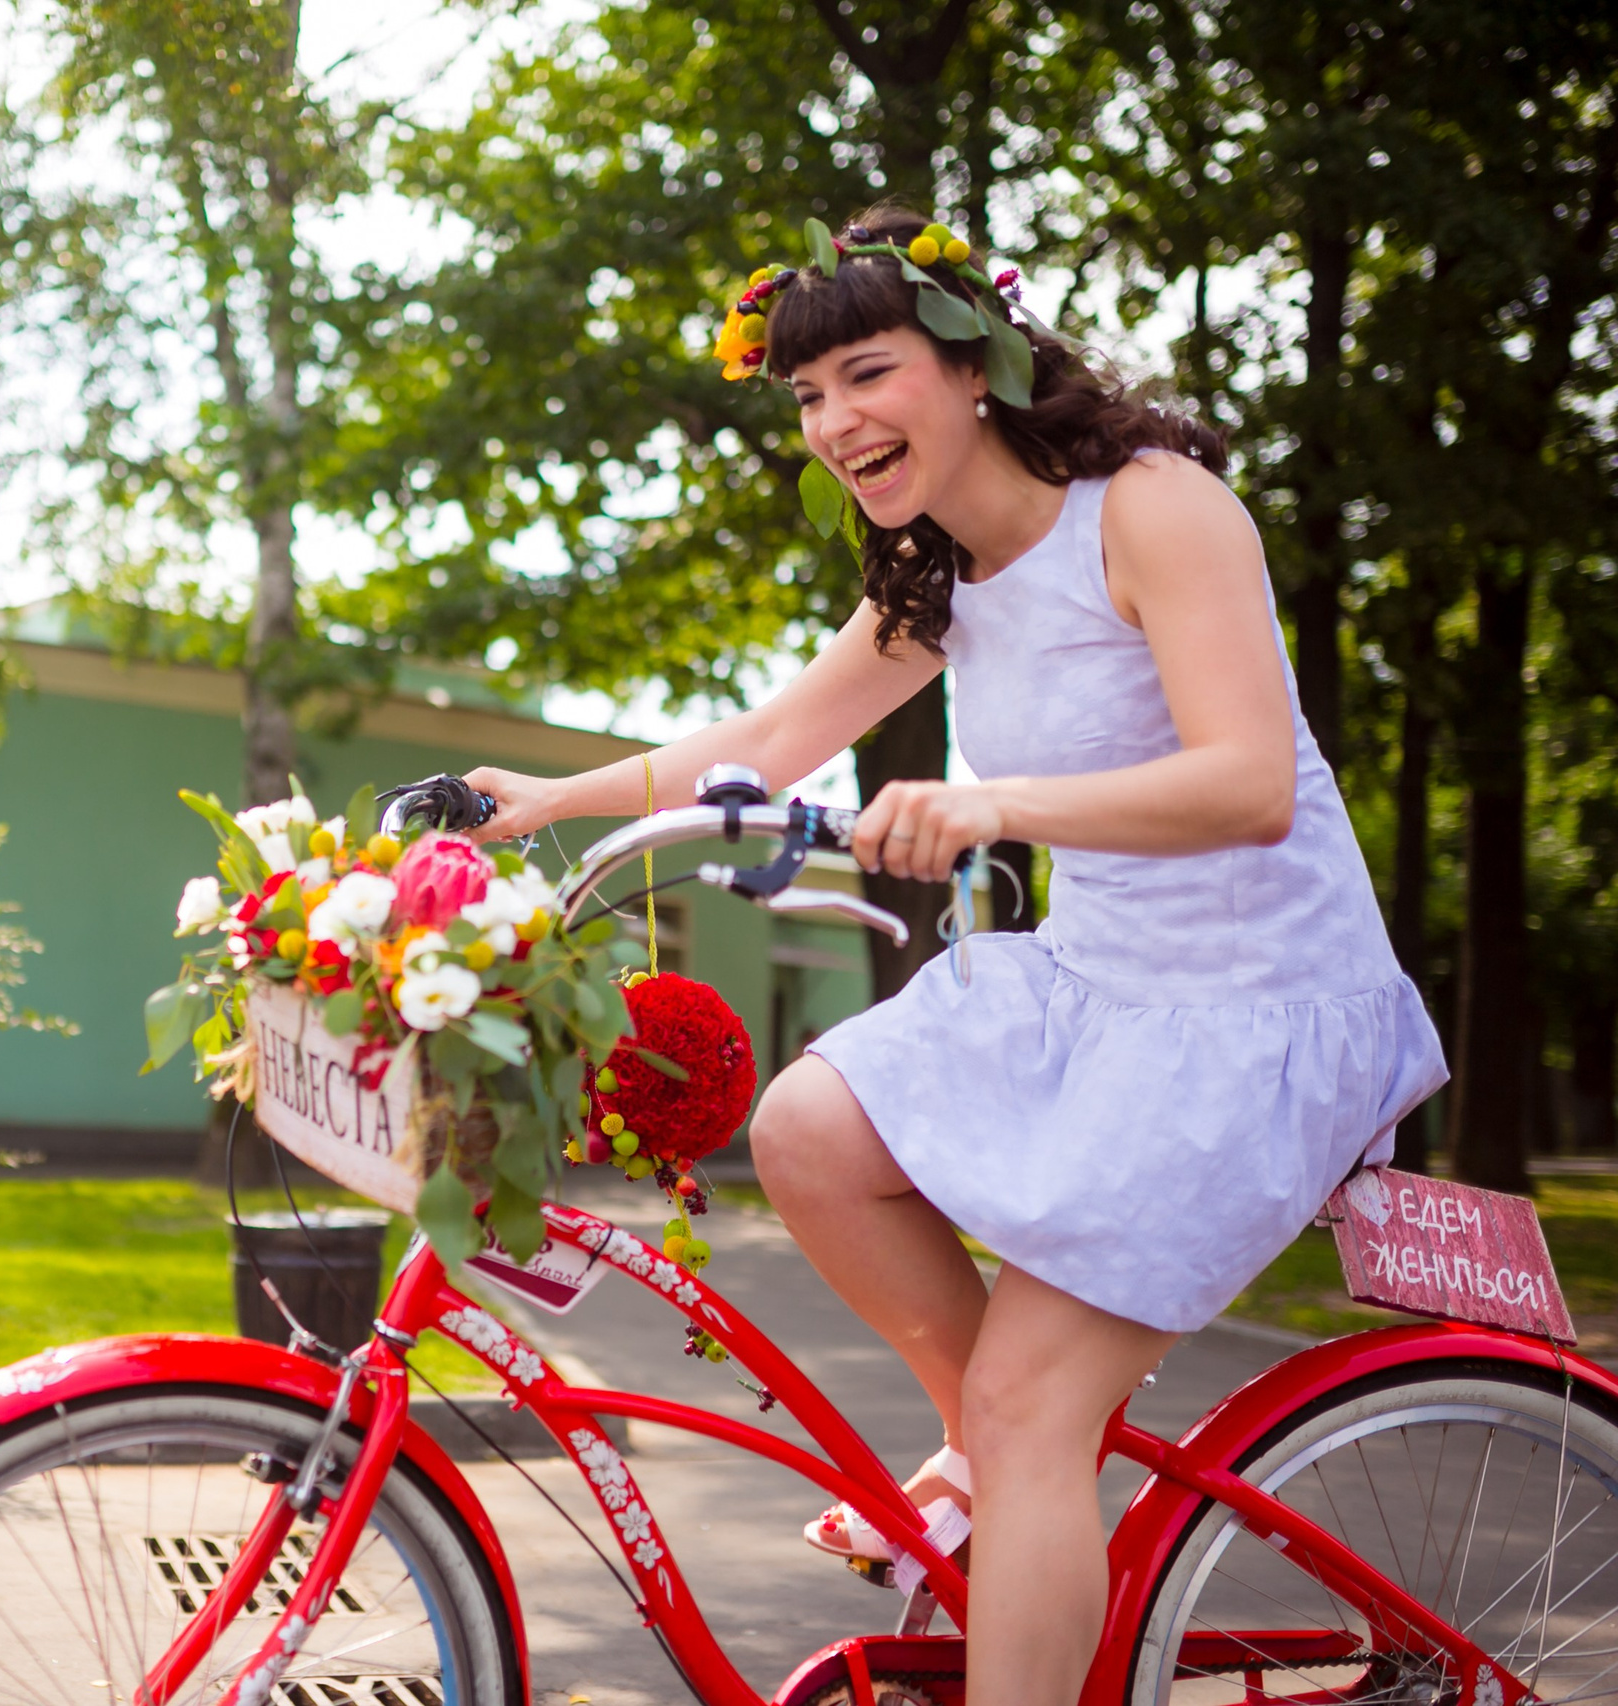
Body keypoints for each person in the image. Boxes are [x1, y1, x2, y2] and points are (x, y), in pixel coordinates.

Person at [464, 204, 1446, 1706]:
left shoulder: (1153, 508)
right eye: (805, 397)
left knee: (1036, 1399)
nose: (835, 420)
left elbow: (1250, 781)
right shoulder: (938, 574)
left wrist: (992, 802)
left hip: (1258, 1012)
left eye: (867, 372)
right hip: (1101, 983)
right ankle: (992, 1462)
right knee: (807, 1128)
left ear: (972, 365)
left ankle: (1015, 1456)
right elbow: (770, 740)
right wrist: (550, 802)